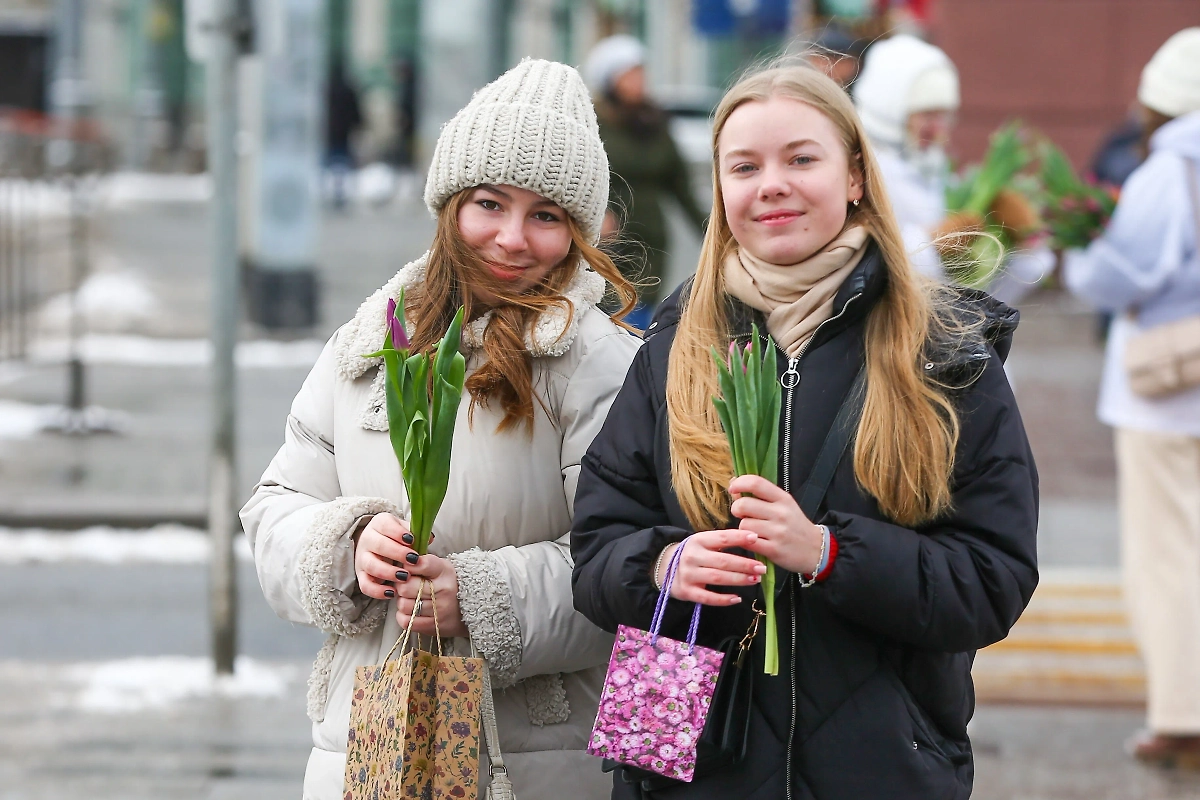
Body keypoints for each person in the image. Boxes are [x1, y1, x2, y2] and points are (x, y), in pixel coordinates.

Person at [571, 61, 1039, 799]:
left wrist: (827, 553)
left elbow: (993, 581)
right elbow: (596, 550)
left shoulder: (945, 355)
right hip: (693, 771)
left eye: (801, 159)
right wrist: (662, 565)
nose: (772, 185)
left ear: (855, 176)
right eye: (744, 166)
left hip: (884, 770)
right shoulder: (672, 350)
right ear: (722, 188)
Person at [241, 59, 642, 799]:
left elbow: (632, 567)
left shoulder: (602, 365)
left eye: (546, 215)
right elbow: (275, 505)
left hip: (538, 757)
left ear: (579, 231)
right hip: (369, 742)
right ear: (450, 202)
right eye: (490, 203)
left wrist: (485, 595)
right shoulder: (368, 342)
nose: (513, 238)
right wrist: (348, 548)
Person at [1063, 27, 1200, 770]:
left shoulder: (1170, 171)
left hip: (1166, 388)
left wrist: (1085, 254)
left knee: (1169, 554)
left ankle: (1182, 714)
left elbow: (1125, 276)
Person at [853, 34, 1053, 306]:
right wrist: (928, 245)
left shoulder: (936, 171)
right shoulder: (858, 172)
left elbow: (973, 299)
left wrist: (1026, 246)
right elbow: (857, 268)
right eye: (926, 114)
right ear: (890, 109)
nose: (938, 129)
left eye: (943, 115)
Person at [585, 35, 708, 330]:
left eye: (641, 72)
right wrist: (594, 213)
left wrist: (712, 231)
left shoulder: (654, 122)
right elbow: (578, 176)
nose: (639, 80)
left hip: (651, 240)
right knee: (608, 316)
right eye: (630, 73)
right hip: (609, 241)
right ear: (610, 80)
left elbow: (680, 185)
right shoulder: (593, 122)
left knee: (643, 313)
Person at [325, 58, 364, 210]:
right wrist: (358, 124)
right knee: (342, 161)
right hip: (343, 131)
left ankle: (332, 192)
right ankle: (339, 193)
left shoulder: (325, 89)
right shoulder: (348, 89)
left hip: (328, 131)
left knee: (331, 161)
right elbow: (355, 111)